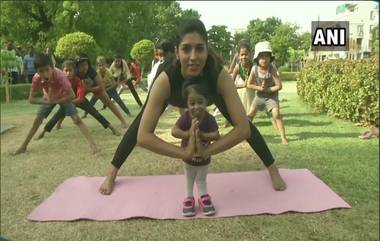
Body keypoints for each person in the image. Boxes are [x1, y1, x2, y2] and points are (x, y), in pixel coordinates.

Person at [99, 18, 286, 195]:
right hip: (176, 94)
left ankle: (273, 169)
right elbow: (143, 136)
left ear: (207, 50)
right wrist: (184, 153)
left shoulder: (218, 75)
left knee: (243, 122)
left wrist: (206, 151)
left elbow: (243, 129)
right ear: (177, 52)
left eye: (199, 49)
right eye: (186, 49)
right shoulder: (165, 79)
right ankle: (111, 173)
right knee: (140, 122)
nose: (193, 57)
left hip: (207, 95)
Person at [14, 53, 100, 155]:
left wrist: (56, 101)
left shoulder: (60, 76)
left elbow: (72, 95)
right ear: (37, 71)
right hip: (48, 97)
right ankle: (23, 146)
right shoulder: (36, 78)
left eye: (47, 70)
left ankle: (93, 145)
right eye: (41, 71)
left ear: (52, 67)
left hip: (64, 96)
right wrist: (46, 100)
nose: (45, 74)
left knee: (77, 119)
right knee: (37, 120)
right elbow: (31, 99)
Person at [35, 60, 121, 139]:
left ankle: (112, 128)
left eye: (70, 70)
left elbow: (80, 96)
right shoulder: (60, 81)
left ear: (74, 71)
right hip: (68, 102)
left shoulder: (77, 80)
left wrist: (71, 101)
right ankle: (43, 132)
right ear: (62, 71)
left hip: (80, 101)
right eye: (66, 70)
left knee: (95, 113)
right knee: (56, 117)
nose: (68, 73)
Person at [172, 76, 220, 217]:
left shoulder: (209, 118)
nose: (196, 106)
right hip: (188, 157)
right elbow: (174, 131)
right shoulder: (186, 117)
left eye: (200, 102)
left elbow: (216, 135)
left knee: (201, 179)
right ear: (187, 105)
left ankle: (204, 197)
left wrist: (202, 135)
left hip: (204, 157)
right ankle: (189, 198)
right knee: (189, 178)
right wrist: (189, 133)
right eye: (192, 103)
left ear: (206, 102)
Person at [246, 41, 289, 145]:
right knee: (250, 115)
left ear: (270, 57)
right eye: (261, 57)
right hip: (259, 95)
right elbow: (248, 84)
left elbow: (279, 86)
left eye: (266, 56)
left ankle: (283, 137)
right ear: (257, 58)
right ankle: (244, 134)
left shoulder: (272, 69)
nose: (264, 59)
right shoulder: (254, 69)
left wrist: (268, 90)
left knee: (276, 114)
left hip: (271, 96)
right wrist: (260, 88)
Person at [76, 53, 128, 128]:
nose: (83, 68)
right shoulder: (75, 73)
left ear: (88, 64)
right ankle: (59, 123)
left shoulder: (92, 72)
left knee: (109, 102)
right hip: (82, 88)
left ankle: (123, 121)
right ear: (77, 66)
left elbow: (101, 87)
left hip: (95, 87)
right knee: (70, 103)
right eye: (80, 66)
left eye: (85, 65)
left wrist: (88, 89)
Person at [231, 42, 255, 114]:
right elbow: (231, 85)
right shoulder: (238, 67)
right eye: (242, 55)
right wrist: (242, 85)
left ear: (250, 54)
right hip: (240, 91)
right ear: (238, 56)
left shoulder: (254, 66)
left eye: (246, 54)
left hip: (251, 91)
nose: (244, 57)